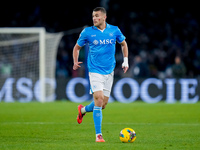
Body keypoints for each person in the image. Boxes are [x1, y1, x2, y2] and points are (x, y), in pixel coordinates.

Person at [72, 7, 129, 142]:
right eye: (93, 16)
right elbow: (76, 47)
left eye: (97, 16)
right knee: (98, 98)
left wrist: (126, 61)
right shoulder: (87, 32)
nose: (94, 18)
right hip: (94, 70)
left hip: (109, 71)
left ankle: (83, 110)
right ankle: (99, 135)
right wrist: (75, 61)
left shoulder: (114, 30)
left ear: (104, 17)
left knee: (102, 104)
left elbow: (124, 44)